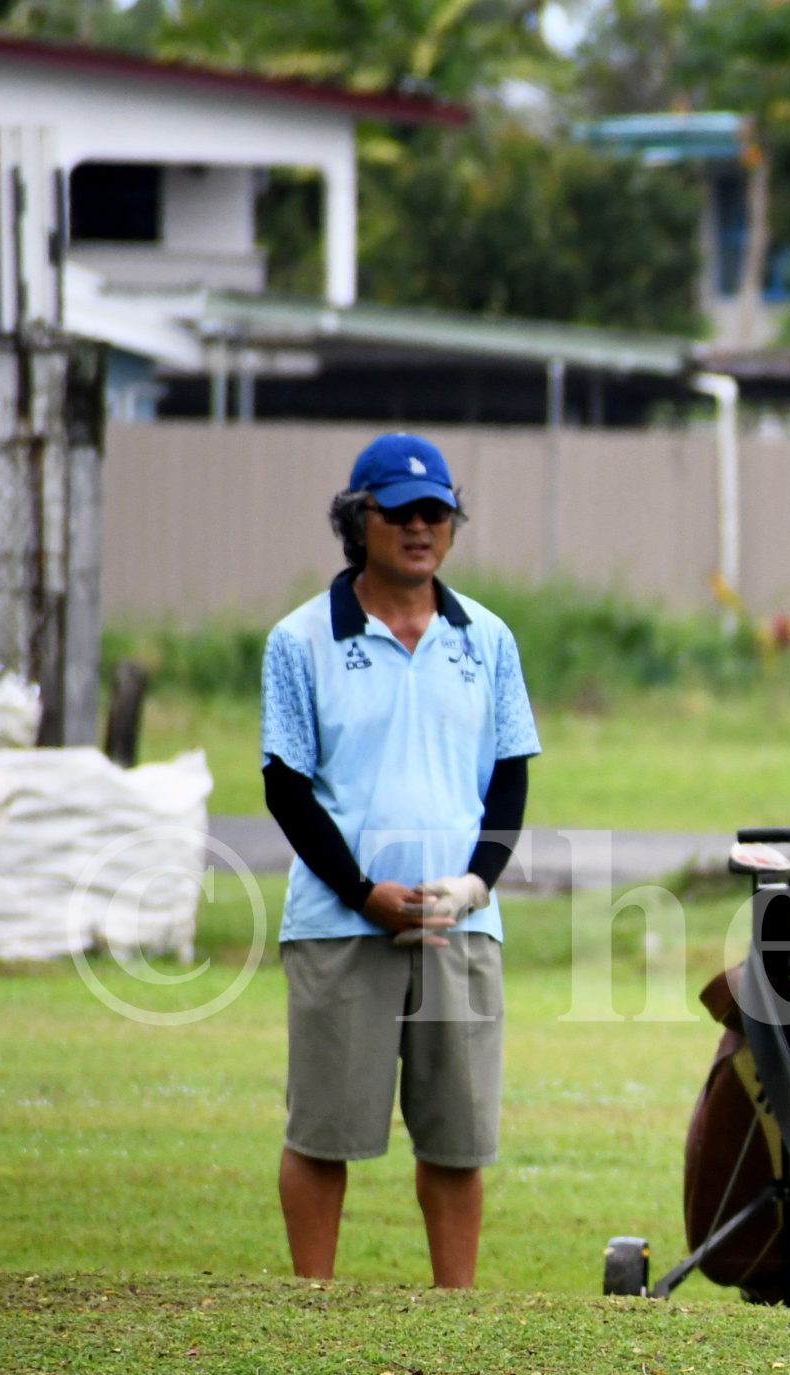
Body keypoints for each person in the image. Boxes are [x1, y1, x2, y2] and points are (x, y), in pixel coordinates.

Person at [258, 433, 540, 1288]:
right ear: (359, 520)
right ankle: (313, 1305)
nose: (421, 527)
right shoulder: (299, 639)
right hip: (340, 923)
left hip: (460, 926)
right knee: (323, 1133)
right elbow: (285, 787)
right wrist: (361, 892)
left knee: (458, 1141)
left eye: (436, 512)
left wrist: (475, 885)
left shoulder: (487, 638)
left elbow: (510, 775)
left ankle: (454, 1315)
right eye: (401, 512)